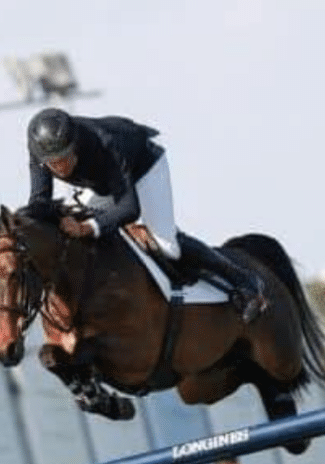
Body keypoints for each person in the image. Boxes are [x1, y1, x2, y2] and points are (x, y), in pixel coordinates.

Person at [25, 107, 267, 323]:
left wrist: (87, 227)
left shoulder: (104, 143)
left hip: (144, 168)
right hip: (102, 184)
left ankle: (244, 280)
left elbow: (130, 209)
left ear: (75, 144)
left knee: (166, 246)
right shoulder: (40, 152)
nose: (62, 168)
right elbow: (39, 201)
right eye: (53, 164)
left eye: (65, 158)